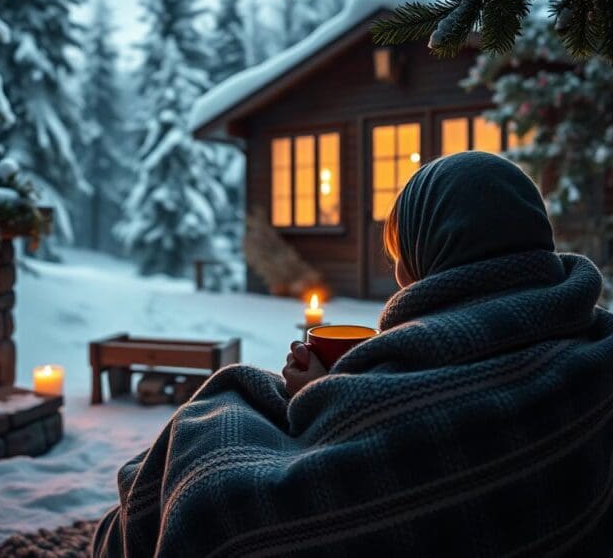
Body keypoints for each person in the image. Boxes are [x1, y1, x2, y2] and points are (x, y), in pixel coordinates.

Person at [95, 151, 613, 556]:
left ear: (434, 254)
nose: (398, 277)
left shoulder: (420, 401)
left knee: (211, 424)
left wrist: (321, 399)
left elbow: (344, 476)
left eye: (402, 257)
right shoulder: (591, 346)